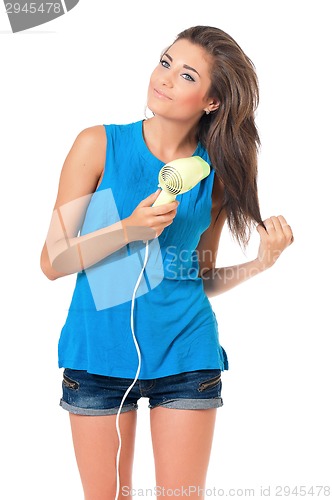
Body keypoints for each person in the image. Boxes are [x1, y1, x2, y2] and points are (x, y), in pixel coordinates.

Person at [40, 25, 294, 500]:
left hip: (185, 351)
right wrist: (128, 230)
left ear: (212, 101)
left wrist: (261, 263)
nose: (164, 78)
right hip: (96, 353)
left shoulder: (213, 174)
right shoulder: (98, 144)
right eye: (164, 62)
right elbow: (52, 261)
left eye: (186, 75)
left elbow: (200, 276)